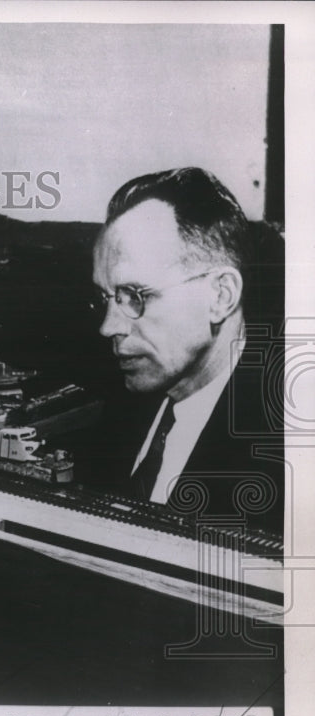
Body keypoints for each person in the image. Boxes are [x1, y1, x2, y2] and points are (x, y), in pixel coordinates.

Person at [88, 167, 283, 533]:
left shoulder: (284, 456)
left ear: (220, 296)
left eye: (135, 296)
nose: (108, 326)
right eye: (105, 298)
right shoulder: (121, 405)